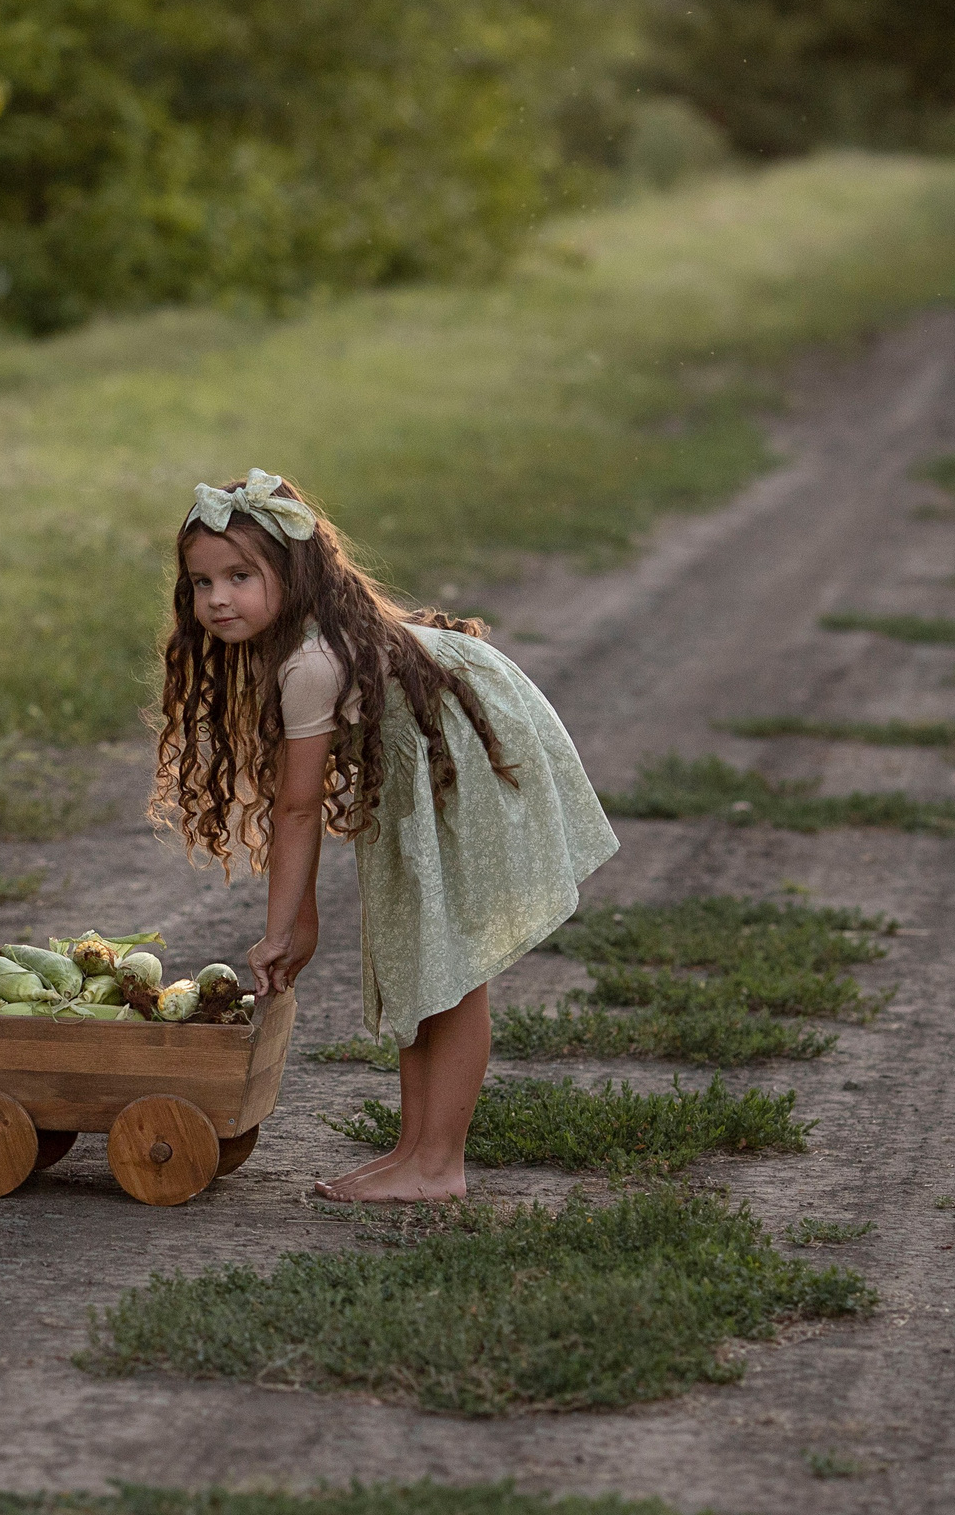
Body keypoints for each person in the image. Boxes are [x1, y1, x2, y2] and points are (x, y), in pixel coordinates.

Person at [149, 470, 617, 1202]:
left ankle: (439, 1164)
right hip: (434, 770)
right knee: (417, 956)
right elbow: (291, 800)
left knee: (452, 968)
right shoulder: (306, 646)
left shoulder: (310, 663)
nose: (217, 599)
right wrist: (295, 919)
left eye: (240, 576)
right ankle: (415, 1151)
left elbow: (297, 808)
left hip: (470, 765)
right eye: (202, 583)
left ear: (294, 573)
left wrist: (288, 926)